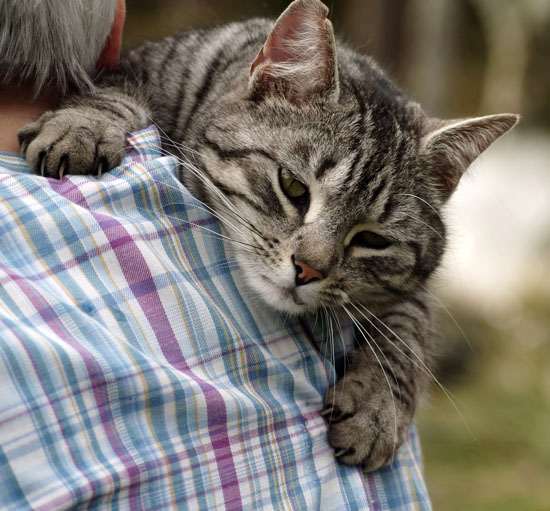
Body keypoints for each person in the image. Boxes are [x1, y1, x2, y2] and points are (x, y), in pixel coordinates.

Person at [0, 1, 431, 509]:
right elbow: (130, 79)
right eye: (293, 188)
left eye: (369, 238)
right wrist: (102, 112)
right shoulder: (195, 83)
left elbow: (409, 276)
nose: (311, 262)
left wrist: (395, 373)